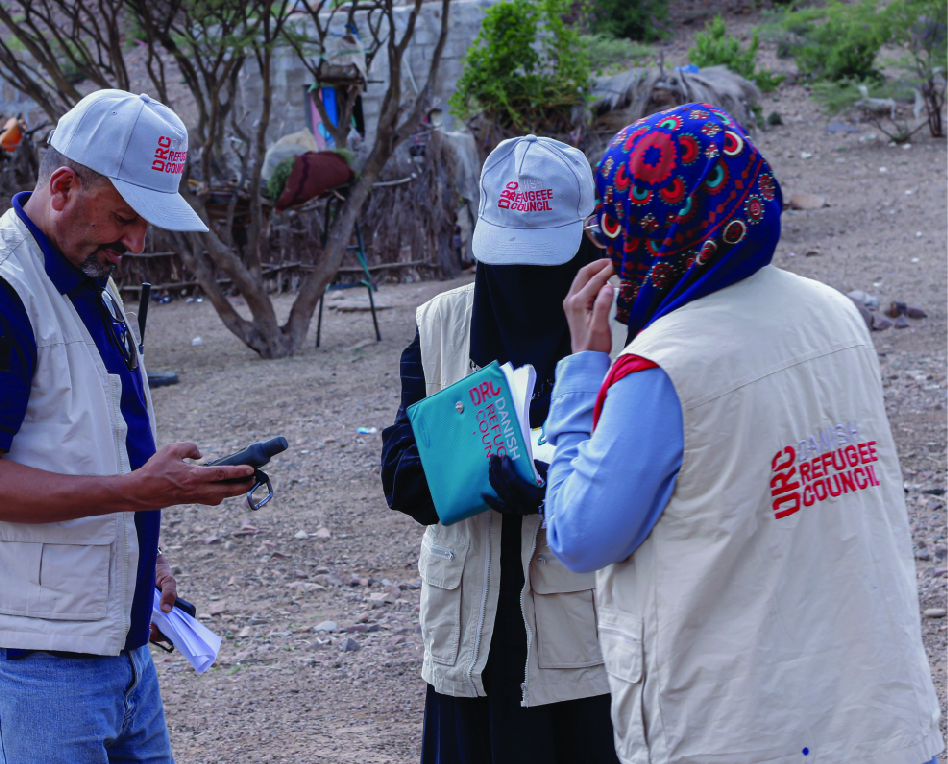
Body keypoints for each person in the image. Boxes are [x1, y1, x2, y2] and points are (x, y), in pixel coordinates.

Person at [543, 103, 943, 764]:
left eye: (614, 227)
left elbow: (581, 535)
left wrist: (583, 370)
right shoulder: (832, 311)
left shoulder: (661, 367)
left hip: (740, 726)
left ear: (648, 228)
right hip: (874, 715)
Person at [0, 89, 255, 764]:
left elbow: (82, 440)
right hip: (26, 654)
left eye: (145, 222)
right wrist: (138, 493)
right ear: (64, 187)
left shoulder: (85, 270)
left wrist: (139, 558)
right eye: (125, 217)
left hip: (107, 640)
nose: (137, 242)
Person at [381, 134, 621, 764]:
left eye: (543, 260)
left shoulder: (627, 330)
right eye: (509, 255)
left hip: (585, 652)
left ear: (588, 237)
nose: (523, 278)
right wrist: (483, 476)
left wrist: (559, 486)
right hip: (470, 645)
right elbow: (400, 475)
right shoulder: (441, 323)